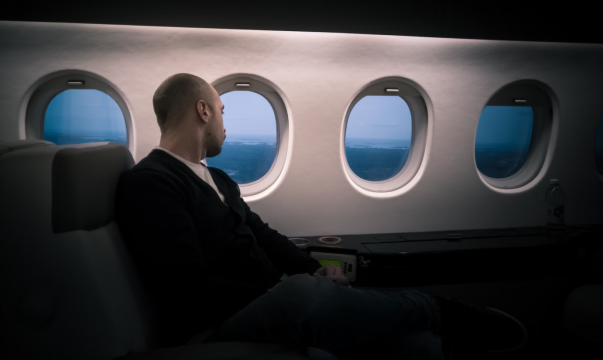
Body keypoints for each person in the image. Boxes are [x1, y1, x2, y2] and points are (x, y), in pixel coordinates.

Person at [115, 73, 528, 359]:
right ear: (203, 111)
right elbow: (188, 290)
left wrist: (313, 268)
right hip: (213, 323)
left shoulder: (217, 177)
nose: (227, 125)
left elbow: (263, 235)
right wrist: (278, 288)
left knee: (415, 347)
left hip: (262, 300)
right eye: (223, 112)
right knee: (301, 296)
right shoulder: (152, 183)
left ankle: (438, 335)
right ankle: (443, 311)